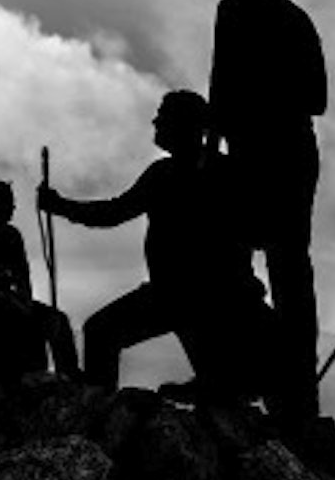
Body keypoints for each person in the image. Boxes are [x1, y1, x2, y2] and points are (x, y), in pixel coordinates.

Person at [38, 90, 276, 402]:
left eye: (164, 117)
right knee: (101, 331)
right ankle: (216, 384)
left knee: (102, 331)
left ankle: (100, 409)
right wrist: (62, 206)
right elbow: (115, 212)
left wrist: (61, 206)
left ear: (184, 125)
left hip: (202, 294)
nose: (156, 122)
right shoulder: (172, 173)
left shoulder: (203, 173)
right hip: (183, 293)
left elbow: (114, 212)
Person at [208, 0, 326, 422]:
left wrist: (246, 113)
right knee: (232, 267)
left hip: (284, 163)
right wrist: (213, 148)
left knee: (287, 274)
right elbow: (219, 83)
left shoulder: (292, 23)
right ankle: (245, 378)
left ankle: (295, 396)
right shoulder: (231, 12)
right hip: (247, 160)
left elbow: (315, 98)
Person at [0, 177, 80, 381]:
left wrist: (24, 301)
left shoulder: (11, 236)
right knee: (24, 325)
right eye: (9, 202)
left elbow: (22, 276)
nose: (14, 207)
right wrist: (14, 303)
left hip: (7, 303)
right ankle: (34, 376)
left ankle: (69, 377)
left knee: (57, 321)